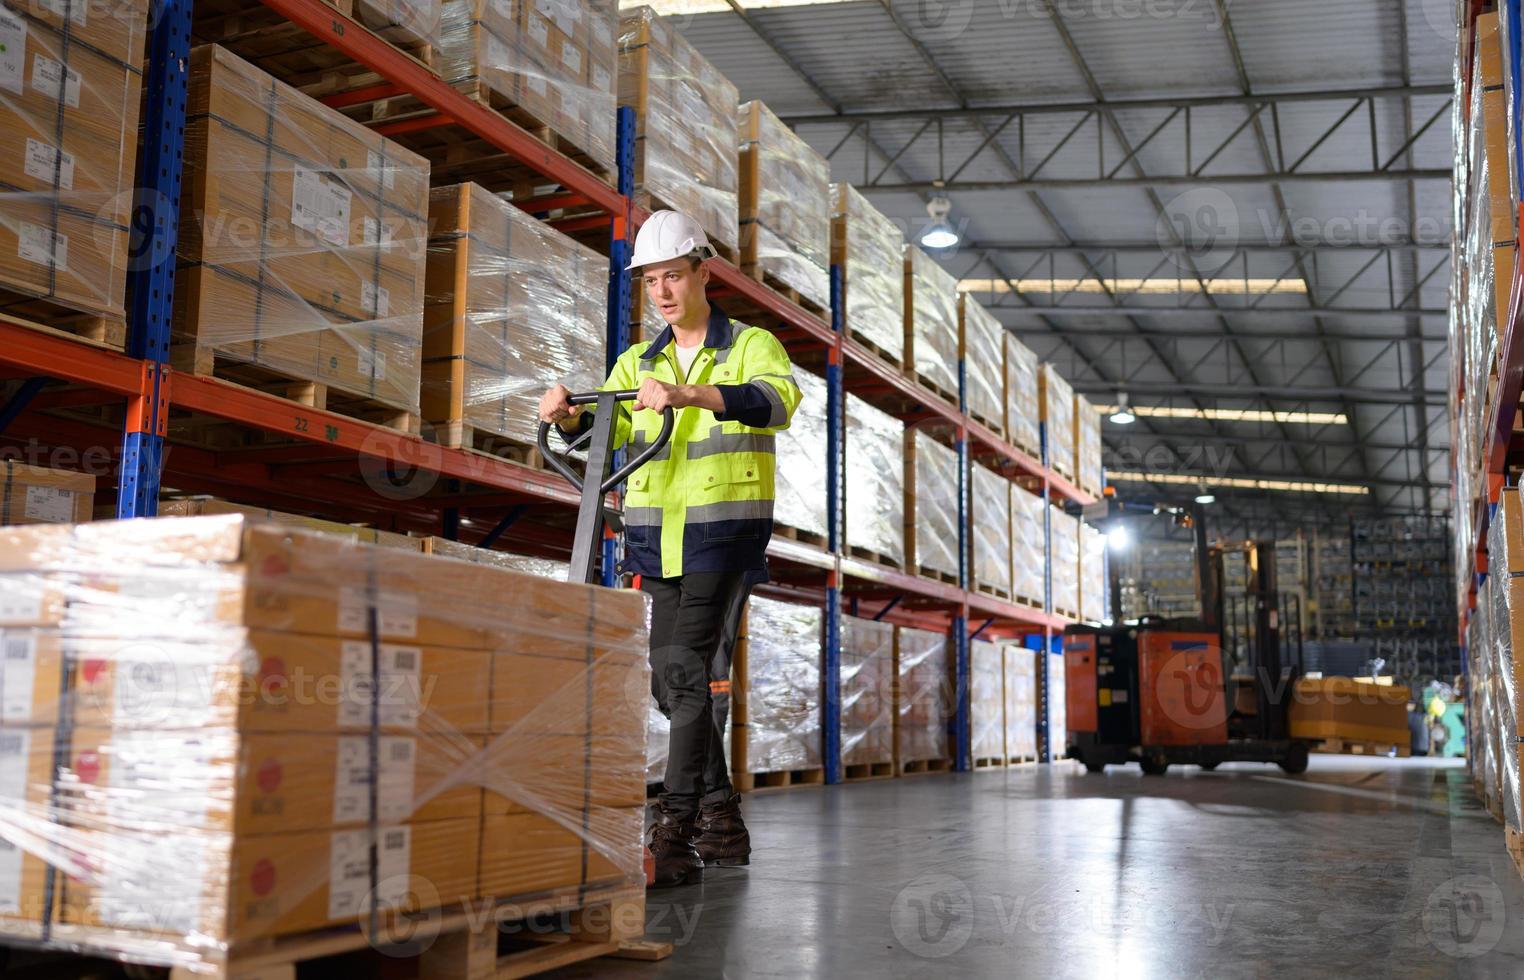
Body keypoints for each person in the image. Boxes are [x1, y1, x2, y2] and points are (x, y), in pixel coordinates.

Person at [538, 210, 802, 887]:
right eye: (650, 281)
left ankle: (676, 830)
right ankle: (722, 818)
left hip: (724, 536)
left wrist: (690, 394)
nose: (661, 291)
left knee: (684, 674)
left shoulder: (748, 344)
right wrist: (569, 414)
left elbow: (777, 402)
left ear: (702, 273)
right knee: (668, 681)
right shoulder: (638, 361)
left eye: (673, 276)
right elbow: (604, 421)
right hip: (657, 542)